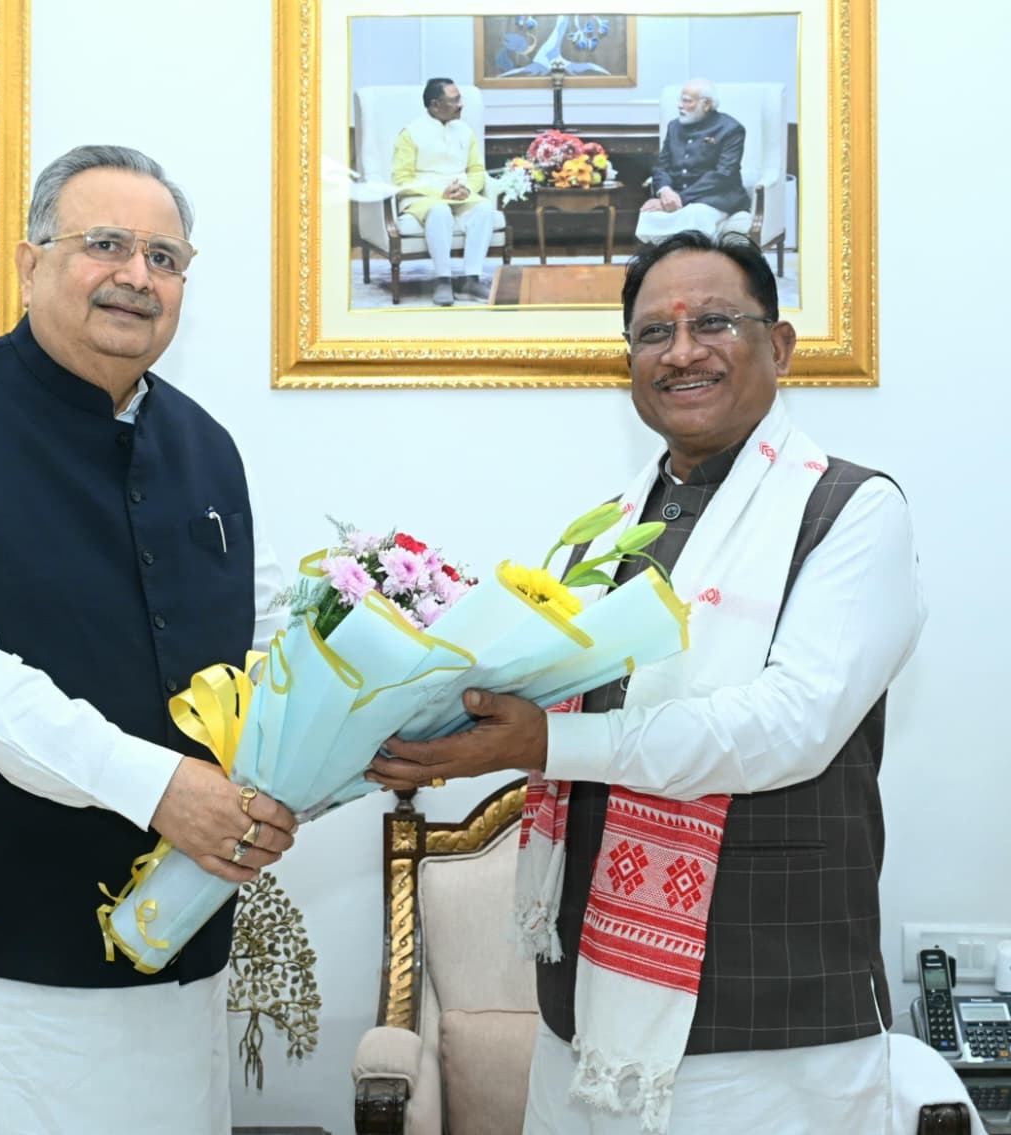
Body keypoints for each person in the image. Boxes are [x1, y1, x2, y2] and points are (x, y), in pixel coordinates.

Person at [369, 231, 926, 1133]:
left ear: (779, 346)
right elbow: (551, 697)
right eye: (652, 333)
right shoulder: (605, 532)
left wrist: (545, 741)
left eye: (715, 322)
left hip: (773, 1012)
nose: (682, 351)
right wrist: (426, 722)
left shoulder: (853, 512)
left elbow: (789, 727)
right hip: (587, 997)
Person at [0, 144, 297, 1134]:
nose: (136, 276)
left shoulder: (209, 445)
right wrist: (160, 788)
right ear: (27, 262)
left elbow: (263, 645)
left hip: (172, 960)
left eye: (164, 257)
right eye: (105, 244)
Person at [391, 77, 497, 306]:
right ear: (435, 104)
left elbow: (477, 170)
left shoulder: (465, 131)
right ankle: (443, 280)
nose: (461, 104)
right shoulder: (410, 133)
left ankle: (471, 279)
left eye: (460, 98)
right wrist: (441, 192)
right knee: (439, 211)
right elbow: (401, 179)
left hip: (461, 196)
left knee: (485, 208)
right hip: (423, 199)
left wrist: (467, 189)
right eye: (455, 100)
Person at [636, 79, 751, 245]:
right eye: (680, 99)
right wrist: (665, 191)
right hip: (675, 196)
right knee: (649, 214)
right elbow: (661, 166)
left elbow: (723, 175)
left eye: (687, 101)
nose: (679, 105)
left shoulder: (731, 129)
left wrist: (679, 199)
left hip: (715, 198)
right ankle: (665, 264)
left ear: (707, 104)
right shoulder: (674, 127)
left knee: (695, 215)